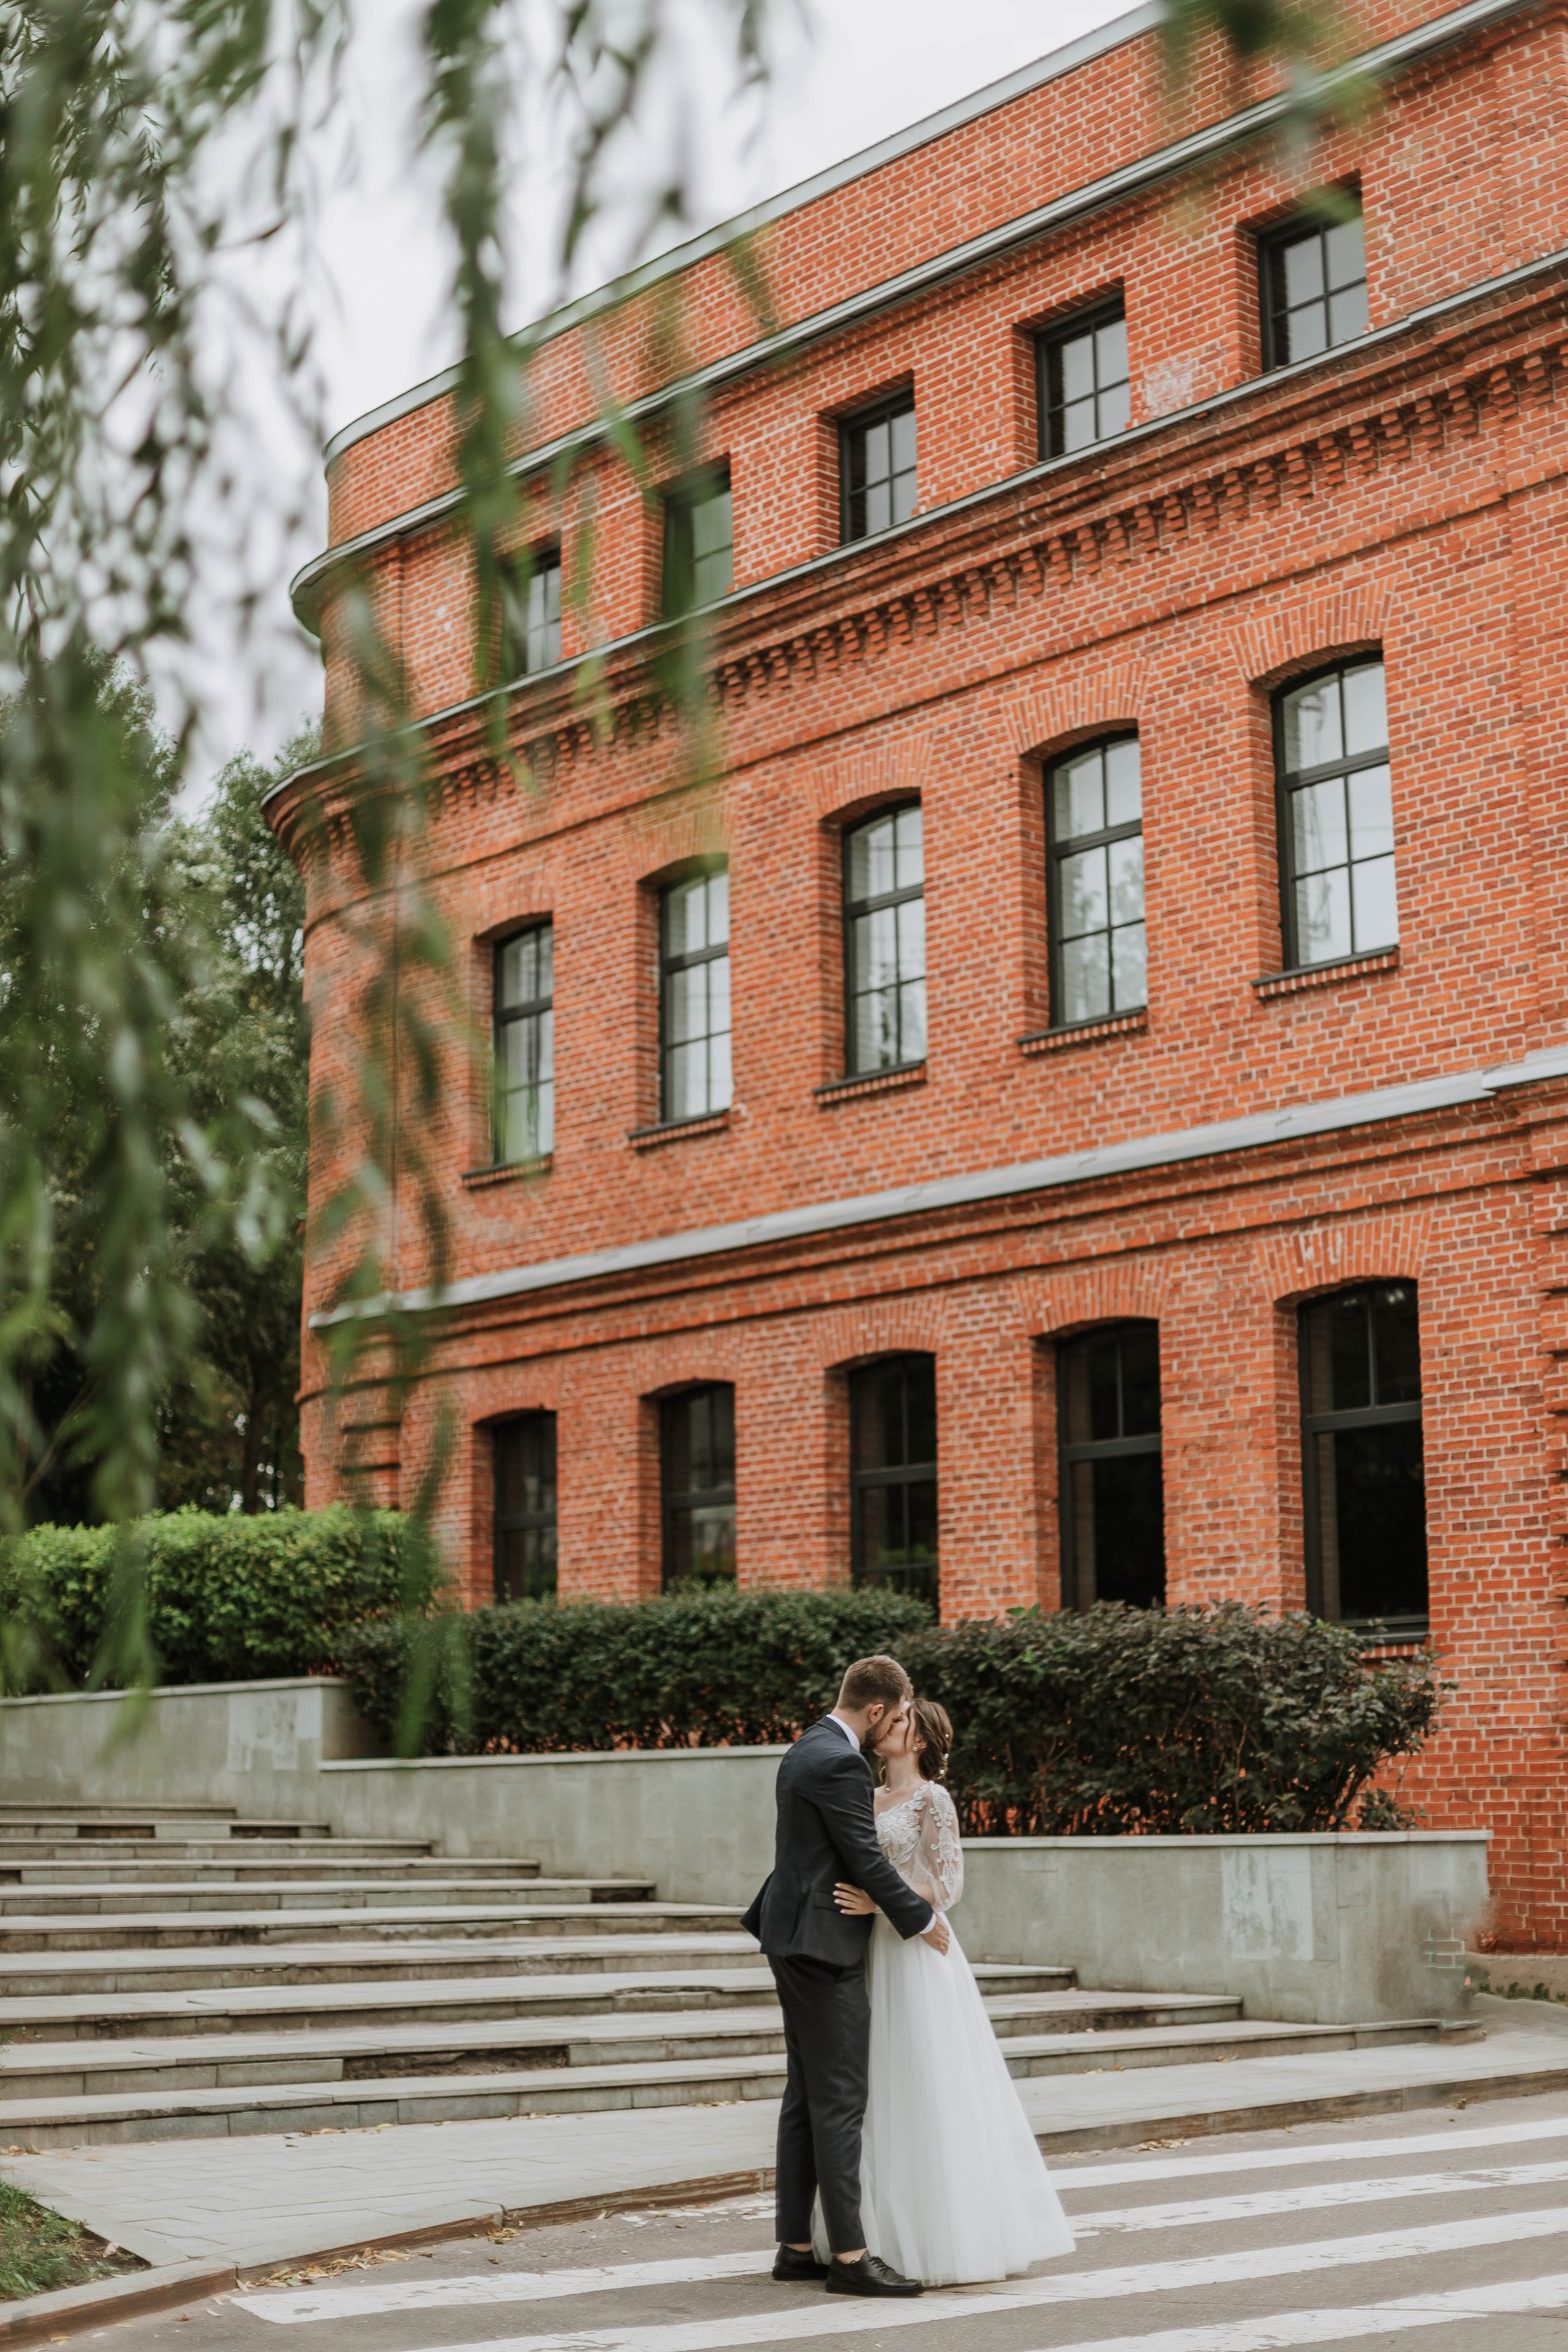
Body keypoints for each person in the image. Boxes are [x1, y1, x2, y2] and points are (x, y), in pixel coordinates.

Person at [825, 1695, 1076, 2286]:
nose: (889, 1724)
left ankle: (942, 2237)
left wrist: (882, 1902)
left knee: (925, 2083)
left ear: (916, 1739)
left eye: (902, 1720)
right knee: (876, 2087)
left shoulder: (932, 1798)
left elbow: (949, 1883)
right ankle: (870, 2234)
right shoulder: (865, 1794)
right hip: (869, 1953)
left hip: (915, 1952)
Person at [740, 1653, 950, 2299]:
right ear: (878, 1710)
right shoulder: (839, 1762)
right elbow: (864, 1856)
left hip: (792, 1933)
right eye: (897, 1712)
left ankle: (796, 2248)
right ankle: (851, 2257)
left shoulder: (807, 1744)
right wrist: (919, 1918)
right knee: (839, 2099)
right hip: (820, 1945)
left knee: (805, 2095)